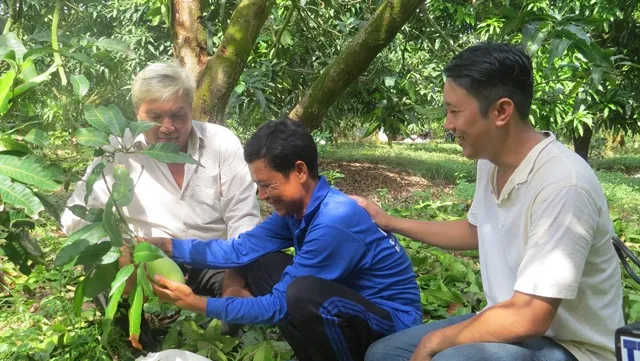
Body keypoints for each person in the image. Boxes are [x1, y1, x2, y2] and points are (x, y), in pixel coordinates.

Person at [354, 42, 624, 361]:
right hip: (509, 321)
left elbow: (530, 316)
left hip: (574, 348)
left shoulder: (563, 184)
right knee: (384, 354)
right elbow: (475, 231)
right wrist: (389, 221)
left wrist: (436, 341)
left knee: (444, 358)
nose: (447, 124)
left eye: (455, 111)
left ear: (501, 111)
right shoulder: (490, 162)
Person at [142, 118, 423, 361]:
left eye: (267, 184)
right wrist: (168, 245)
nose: (261, 196)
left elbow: (278, 306)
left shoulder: (335, 221)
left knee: (303, 294)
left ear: (300, 171)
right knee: (261, 264)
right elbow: (239, 250)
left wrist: (198, 303)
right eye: (258, 186)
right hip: (351, 302)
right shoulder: (297, 210)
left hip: (393, 323)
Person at [61, 62, 260, 339]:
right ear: (137, 113)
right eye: (155, 116)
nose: (168, 127)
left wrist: (233, 284)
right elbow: (74, 219)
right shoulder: (118, 151)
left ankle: (216, 329)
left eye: (179, 115)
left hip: (214, 259)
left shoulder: (221, 143)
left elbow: (244, 219)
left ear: (192, 108)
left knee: (255, 281)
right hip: (148, 260)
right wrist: (120, 253)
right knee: (99, 262)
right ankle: (135, 339)